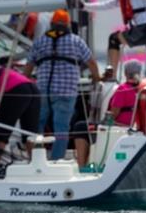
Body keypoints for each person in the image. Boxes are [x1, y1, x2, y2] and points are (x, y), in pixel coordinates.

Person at [23, 9, 101, 160]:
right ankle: (56, 160)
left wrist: (24, 83)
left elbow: (29, 66)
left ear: (52, 24)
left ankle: (36, 158)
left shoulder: (40, 41)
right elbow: (90, 61)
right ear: (68, 24)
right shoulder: (75, 41)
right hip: (66, 91)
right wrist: (96, 77)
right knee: (61, 128)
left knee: (38, 124)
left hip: (43, 90)